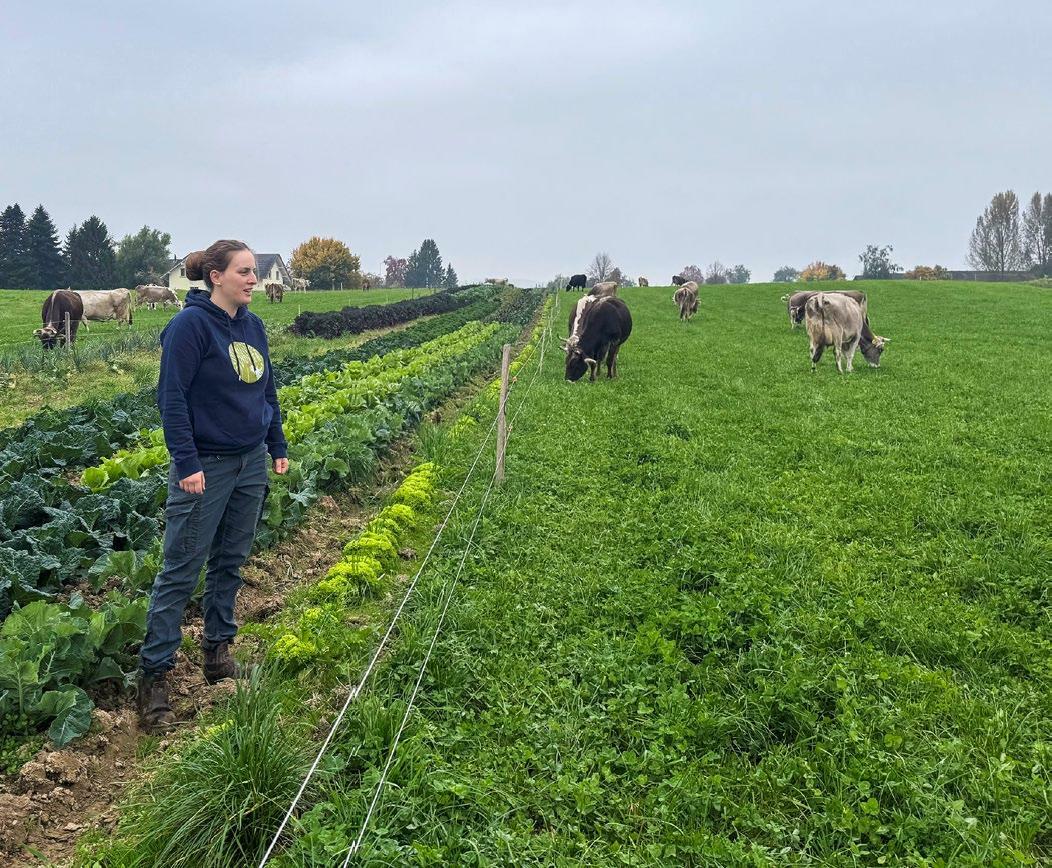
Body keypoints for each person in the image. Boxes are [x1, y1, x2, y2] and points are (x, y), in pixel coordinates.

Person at [137, 240, 288, 731]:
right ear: (216, 276)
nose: (253, 280)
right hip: (207, 465)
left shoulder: (253, 325)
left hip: (249, 463)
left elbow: (266, 390)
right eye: (244, 272)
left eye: (254, 272)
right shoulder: (189, 327)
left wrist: (276, 444)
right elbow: (172, 398)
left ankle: (217, 652)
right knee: (181, 569)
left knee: (231, 559)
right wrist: (187, 462)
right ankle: (154, 680)